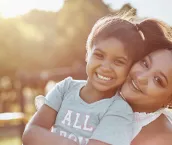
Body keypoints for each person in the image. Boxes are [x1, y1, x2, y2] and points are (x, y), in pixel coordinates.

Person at [22, 16, 172, 145]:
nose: (140, 77)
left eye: (158, 80)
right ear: (87, 54)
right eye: (145, 63)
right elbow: (30, 133)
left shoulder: (127, 115)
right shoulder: (67, 88)